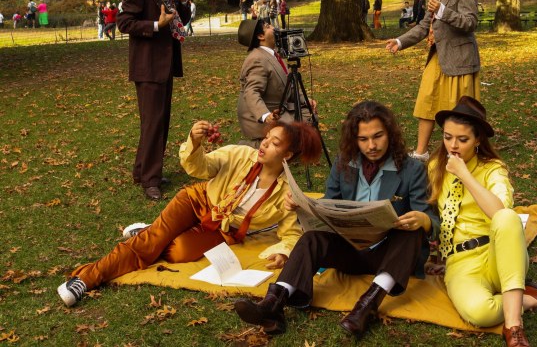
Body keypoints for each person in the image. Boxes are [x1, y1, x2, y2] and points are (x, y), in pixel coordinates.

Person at [57, 119, 323, 307]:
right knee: (150, 244)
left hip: (222, 230)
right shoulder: (240, 154)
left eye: (274, 143)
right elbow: (201, 167)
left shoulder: (286, 192)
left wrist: (283, 252)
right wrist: (195, 142)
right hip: (197, 201)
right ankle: (86, 278)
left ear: (287, 155)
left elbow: (290, 232)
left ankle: (156, 230)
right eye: (266, 138)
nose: (264, 144)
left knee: (177, 253)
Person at [235, 100, 440, 336]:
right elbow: (328, 204)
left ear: (390, 134)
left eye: (378, 136)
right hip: (349, 250)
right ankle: (273, 303)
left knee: (410, 233)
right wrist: (302, 207)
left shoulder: (411, 169)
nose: (371, 146)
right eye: (363, 139)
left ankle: (367, 307)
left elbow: (431, 220)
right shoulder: (344, 163)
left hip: (389, 256)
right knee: (311, 238)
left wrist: (422, 221)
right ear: (354, 139)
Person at [428, 96, 537, 346]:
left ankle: (513, 327)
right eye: (448, 137)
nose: (453, 146)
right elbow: (434, 213)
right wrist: (439, 253)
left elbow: (500, 212)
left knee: (507, 216)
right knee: (479, 313)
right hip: (462, 261)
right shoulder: (436, 167)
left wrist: (465, 174)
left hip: (499, 251)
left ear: (478, 139)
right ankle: (529, 298)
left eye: (463, 139)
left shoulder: (493, 169)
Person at [386, 0, 481, 163]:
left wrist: (443, 11)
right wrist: (400, 42)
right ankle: (421, 153)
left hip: (459, 60)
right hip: (438, 58)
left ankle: (458, 154)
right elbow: (423, 26)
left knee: (457, 110)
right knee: (426, 102)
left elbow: (470, 23)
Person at [116, 0, 191, 200]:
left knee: (159, 121)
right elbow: (124, 23)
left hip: (166, 65)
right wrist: (156, 25)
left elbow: (181, 19)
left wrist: (183, 0)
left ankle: (143, 171)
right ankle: (151, 179)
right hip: (148, 67)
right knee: (153, 123)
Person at [236, 19, 316, 148]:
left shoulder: (274, 55)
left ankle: (283, 144)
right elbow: (251, 92)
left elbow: (289, 85)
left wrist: (306, 100)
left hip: (278, 108)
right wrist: (266, 115)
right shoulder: (257, 59)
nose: (273, 28)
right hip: (261, 115)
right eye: (268, 26)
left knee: (310, 116)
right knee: (299, 129)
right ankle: (254, 145)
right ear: (261, 36)